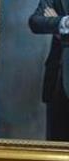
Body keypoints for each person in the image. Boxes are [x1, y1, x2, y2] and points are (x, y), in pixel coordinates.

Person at [29, 0, 69, 141]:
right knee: (55, 147)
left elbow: (47, 23)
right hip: (58, 81)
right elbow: (35, 22)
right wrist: (64, 22)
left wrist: (59, 29)